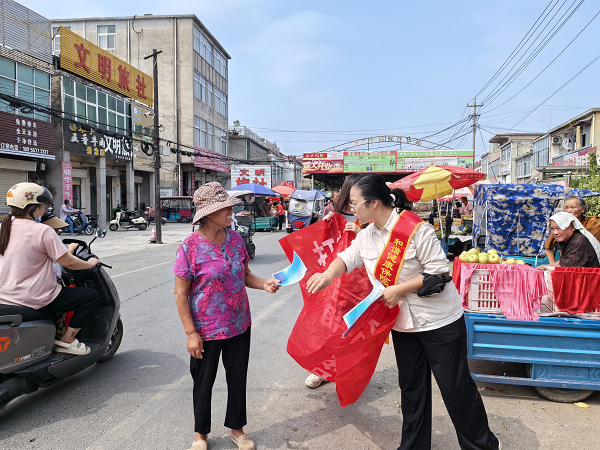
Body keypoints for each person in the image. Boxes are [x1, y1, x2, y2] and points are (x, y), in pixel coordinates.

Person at [306, 174, 500, 450]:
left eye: (355, 203)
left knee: (455, 389)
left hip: (439, 323)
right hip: (404, 326)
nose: (352, 209)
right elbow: (347, 258)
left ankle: (482, 446)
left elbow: (440, 272)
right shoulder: (366, 235)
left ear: (374, 203)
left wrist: (398, 290)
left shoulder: (416, 229)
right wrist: (327, 274)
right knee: (411, 389)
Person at [173, 182, 281, 450]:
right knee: (203, 382)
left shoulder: (234, 240)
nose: (231, 211)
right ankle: (201, 435)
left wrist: (263, 283)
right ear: (209, 213)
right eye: (226, 208)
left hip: (238, 323)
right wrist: (190, 333)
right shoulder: (190, 246)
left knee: (237, 378)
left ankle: (237, 429)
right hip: (205, 329)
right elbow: (180, 293)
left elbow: (244, 275)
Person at [0, 183, 101, 356]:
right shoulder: (43, 230)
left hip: (5, 296)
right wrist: (90, 264)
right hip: (35, 297)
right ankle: (67, 341)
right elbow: (69, 262)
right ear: (32, 208)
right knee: (91, 297)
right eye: (42, 206)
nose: (43, 210)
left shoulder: (3, 227)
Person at [304, 174, 363, 389]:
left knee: (353, 327)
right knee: (328, 325)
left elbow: (381, 243)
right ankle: (321, 370)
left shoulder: (368, 217)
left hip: (359, 285)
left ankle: (348, 369)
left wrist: (362, 231)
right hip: (335, 282)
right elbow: (319, 246)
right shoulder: (334, 215)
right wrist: (325, 226)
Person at [545, 196, 600, 264]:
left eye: (573, 207)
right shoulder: (560, 226)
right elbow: (548, 246)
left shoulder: (594, 223)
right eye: (566, 208)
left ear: (582, 209)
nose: (569, 211)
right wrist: (552, 265)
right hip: (569, 265)